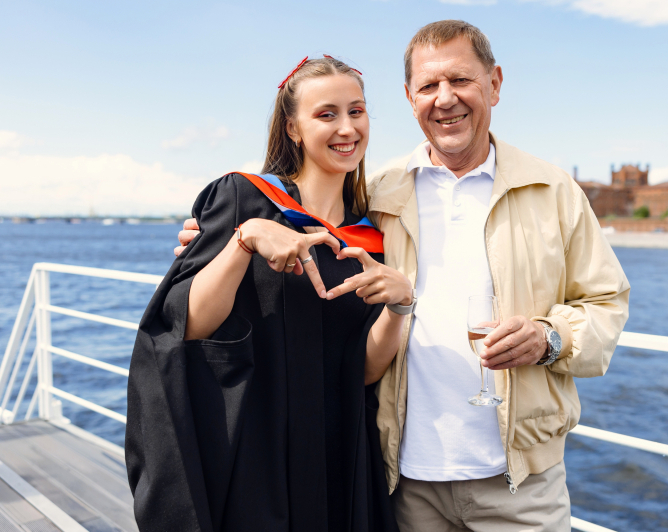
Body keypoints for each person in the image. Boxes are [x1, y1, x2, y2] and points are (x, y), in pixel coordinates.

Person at [177, 20, 630, 532]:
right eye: (428, 86)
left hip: (518, 480)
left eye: (461, 80)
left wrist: (550, 338)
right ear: (409, 98)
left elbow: (607, 304)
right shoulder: (378, 198)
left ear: (495, 84)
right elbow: (301, 235)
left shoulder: (553, 191)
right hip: (403, 479)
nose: (445, 99)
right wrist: (222, 232)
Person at [127, 56, 412, 532]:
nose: (347, 128)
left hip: (337, 452)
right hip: (252, 452)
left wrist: (399, 306)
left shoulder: (372, 236)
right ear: (293, 129)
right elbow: (185, 326)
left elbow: (361, 370)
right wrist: (245, 239)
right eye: (327, 114)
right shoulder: (245, 198)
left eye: (357, 111)